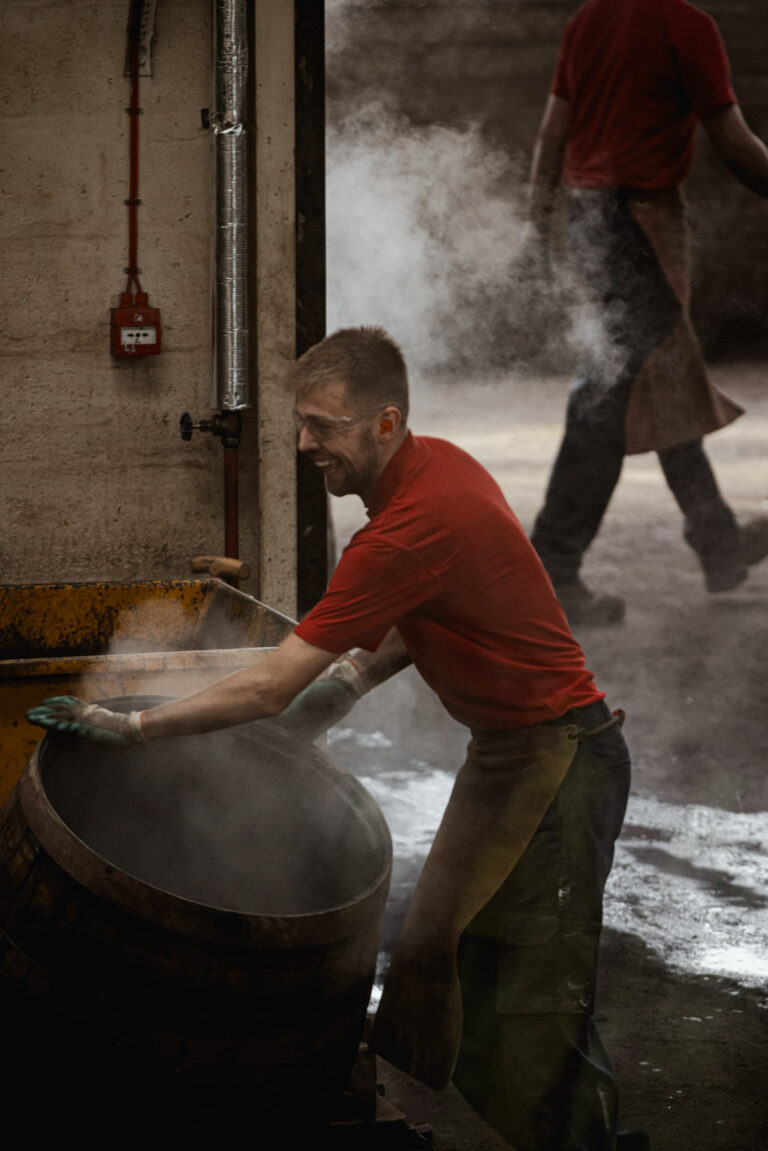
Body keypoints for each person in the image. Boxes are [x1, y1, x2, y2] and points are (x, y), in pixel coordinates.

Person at [28, 326, 644, 1151]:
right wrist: (349, 684)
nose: (306, 442)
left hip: (562, 764)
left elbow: (270, 683)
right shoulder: (434, 473)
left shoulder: (405, 527)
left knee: (534, 1004)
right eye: (302, 422)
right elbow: (424, 610)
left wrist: (131, 723)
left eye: (325, 425)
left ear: (385, 423)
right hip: (509, 757)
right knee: (435, 964)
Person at [527, 0, 768, 626]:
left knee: (658, 377)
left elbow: (554, 132)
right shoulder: (687, 25)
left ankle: (718, 542)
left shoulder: (588, 20)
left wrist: (537, 223)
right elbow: (738, 149)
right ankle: (552, 564)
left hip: (589, 218)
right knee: (612, 391)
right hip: (639, 221)